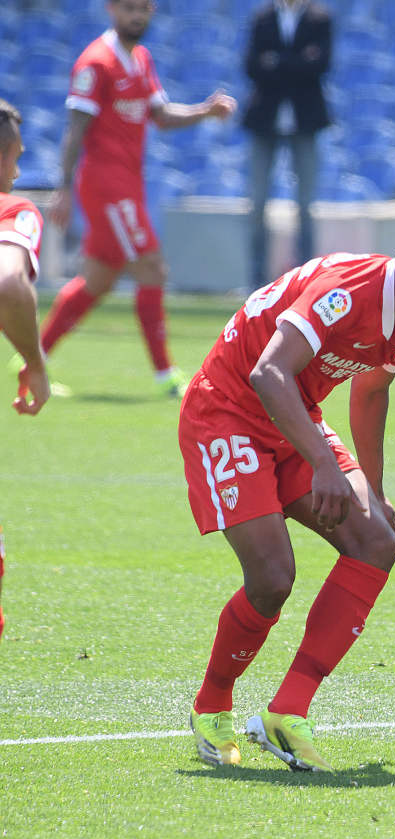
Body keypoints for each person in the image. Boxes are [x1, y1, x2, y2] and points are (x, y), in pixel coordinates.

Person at [182, 206, 395, 772]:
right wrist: (324, 464)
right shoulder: (346, 288)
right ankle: (212, 704)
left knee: (378, 540)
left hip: (294, 416)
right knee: (272, 579)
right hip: (228, 408)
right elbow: (268, 373)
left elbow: (370, 390)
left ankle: (287, 712)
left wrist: (375, 487)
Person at [42, 0, 236, 398]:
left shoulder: (141, 58)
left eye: (144, 9)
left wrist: (205, 111)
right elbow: (74, 129)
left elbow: (160, 115)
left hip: (128, 183)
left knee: (98, 279)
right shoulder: (95, 63)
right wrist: (63, 189)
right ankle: (166, 375)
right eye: (129, 8)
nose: (137, 16)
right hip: (105, 185)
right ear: (112, 10)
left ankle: (34, 357)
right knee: (151, 268)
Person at [0, 99, 52, 641]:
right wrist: (35, 363)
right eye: (13, 156)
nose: (16, 170)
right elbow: (10, 283)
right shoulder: (14, 211)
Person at [242, 0, 333, 289]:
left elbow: (321, 64)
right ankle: (256, 277)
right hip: (266, 119)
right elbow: (251, 65)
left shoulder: (320, 19)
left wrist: (277, 61)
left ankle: (307, 276)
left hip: (305, 119)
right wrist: (298, 61)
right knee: (258, 202)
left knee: (305, 204)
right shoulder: (262, 18)